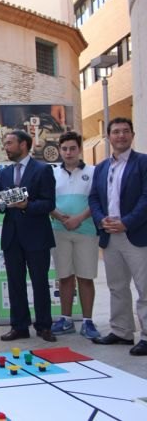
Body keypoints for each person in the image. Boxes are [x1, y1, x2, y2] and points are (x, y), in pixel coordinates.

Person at [89, 117, 147, 356]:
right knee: (117, 286)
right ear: (109, 136)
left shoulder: (143, 163)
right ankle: (122, 331)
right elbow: (93, 198)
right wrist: (101, 219)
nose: (120, 136)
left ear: (132, 135)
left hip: (135, 234)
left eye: (125, 131)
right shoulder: (102, 167)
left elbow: (146, 198)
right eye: (116, 132)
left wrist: (126, 222)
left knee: (145, 288)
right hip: (110, 235)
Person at [0, 130, 57, 343]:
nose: (6, 146)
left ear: (23, 145)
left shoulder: (43, 170)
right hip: (12, 237)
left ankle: (44, 326)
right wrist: (1, 204)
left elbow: (49, 203)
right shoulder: (4, 174)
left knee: (40, 282)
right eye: (5, 143)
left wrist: (27, 205)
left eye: (10, 143)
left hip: (37, 236)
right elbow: (0, 204)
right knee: (15, 283)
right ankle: (19, 326)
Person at [49, 132, 100, 339]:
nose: (68, 152)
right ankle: (65, 319)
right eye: (64, 149)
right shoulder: (52, 173)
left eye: (72, 148)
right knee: (65, 277)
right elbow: (47, 201)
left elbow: (97, 200)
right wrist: (62, 218)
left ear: (79, 149)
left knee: (85, 278)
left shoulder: (94, 172)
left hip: (86, 232)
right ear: (60, 151)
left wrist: (78, 218)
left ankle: (87, 322)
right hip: (59, 232)